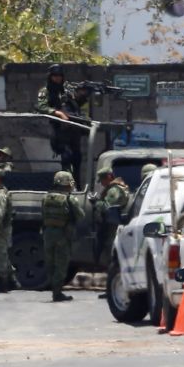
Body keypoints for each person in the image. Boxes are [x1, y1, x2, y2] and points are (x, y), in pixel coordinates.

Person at [35, 65, 90, 189]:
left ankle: (77, 187)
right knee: (66, 157)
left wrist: (83, 95)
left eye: (60, 76)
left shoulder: (67, 89)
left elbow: (77, 103)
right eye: (55, 76)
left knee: (77, 158)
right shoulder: (45, 91)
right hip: (60, 129)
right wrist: (58, 113)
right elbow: (41, 107)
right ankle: (66, 187)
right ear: (50, 77)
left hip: (73, 128)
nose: (58, 78)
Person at [42, 171, 85, 302]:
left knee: (50, 262)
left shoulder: (46, 197)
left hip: (48, 234)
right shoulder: (69, 199)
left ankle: (53, 287)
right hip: (63, 234)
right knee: (61, 263)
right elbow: (81, 216)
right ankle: (57, 292)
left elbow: (43, 214)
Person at [92, 166, 130, 266]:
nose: (102, 183)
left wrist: (96, 202)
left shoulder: (114, 190)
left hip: (112, 226)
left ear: (109, 177)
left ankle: (113, 269)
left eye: (102, 180)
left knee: (110, 250)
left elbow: (107, 207)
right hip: (112, 224)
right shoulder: (115, 188)